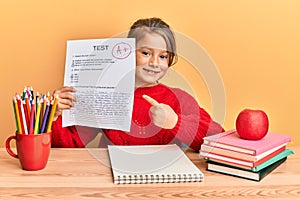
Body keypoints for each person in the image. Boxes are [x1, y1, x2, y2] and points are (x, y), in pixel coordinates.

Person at [51, 17, 224, 151]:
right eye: (146, 53)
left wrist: (175, 122)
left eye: (163, 56)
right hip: (113, 181)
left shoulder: (178, 98)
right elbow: (69, 143)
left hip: (164, 183)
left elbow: (217, 138)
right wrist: (54, 114)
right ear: (127, 53)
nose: (155, 62)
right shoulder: (106, 96)